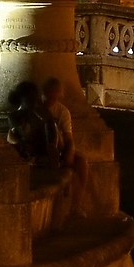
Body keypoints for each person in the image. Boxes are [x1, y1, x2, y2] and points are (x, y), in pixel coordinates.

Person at [39, 77, 90, 205]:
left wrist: (69, 153)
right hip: (39, 146)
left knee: (82, 163)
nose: (54, 97)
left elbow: (69, 139)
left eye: (56, 93)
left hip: (57, 147)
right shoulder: (36, 107)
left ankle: (77, 204)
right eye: (51, 93)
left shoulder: (62, 111)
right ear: (45, 93)